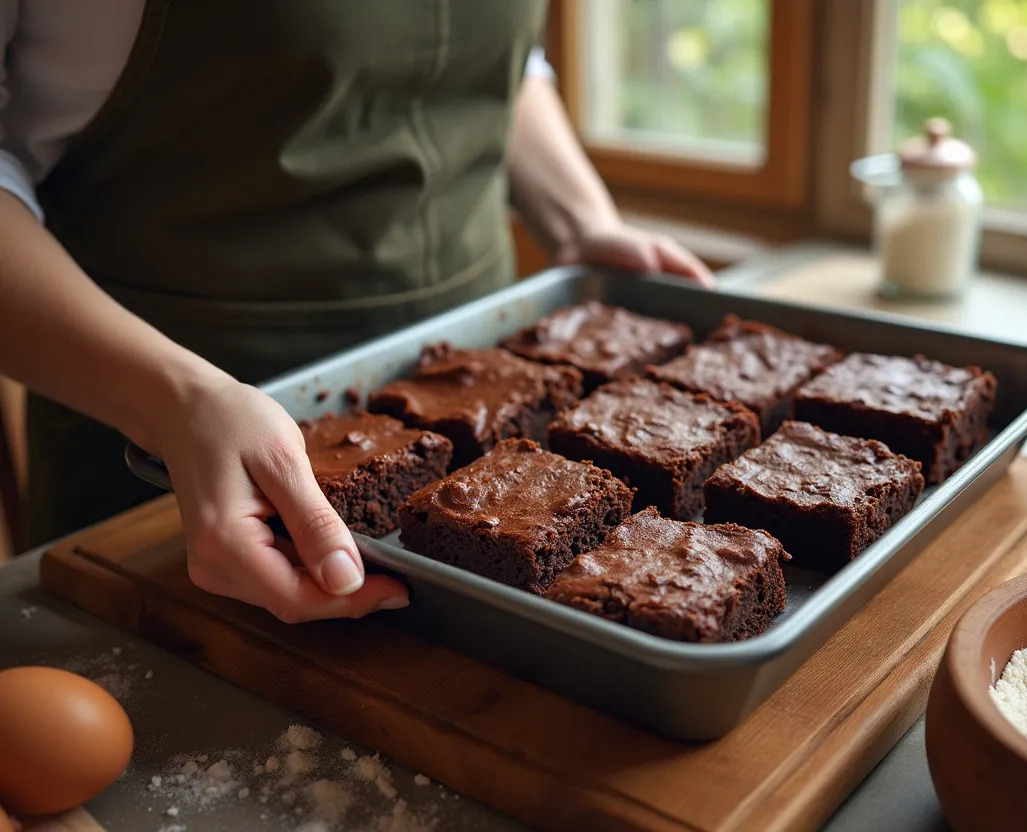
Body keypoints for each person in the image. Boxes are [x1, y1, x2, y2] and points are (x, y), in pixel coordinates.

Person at [0, 2, 713, 623]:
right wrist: (176, 402)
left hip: (493, 362)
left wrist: (581, 223)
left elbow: (495, 64)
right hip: (166, 429)